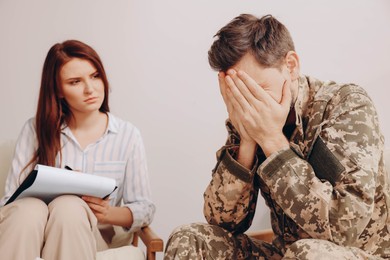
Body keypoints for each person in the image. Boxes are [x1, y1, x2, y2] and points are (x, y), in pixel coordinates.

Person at [164, 14, 390, 259]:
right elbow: (224, 222)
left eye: (257, 91)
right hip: (285, 253)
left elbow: (343, 228)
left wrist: (272, 140)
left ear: (290, 66)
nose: (250, 106)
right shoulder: (248, 119)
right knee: (190, 239)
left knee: (308, 253)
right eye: (239, 95)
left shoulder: (346, 105)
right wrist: (247, 140)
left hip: (356, 254)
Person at [0, 40, 155, 259]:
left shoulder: (128, 135)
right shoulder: (35, 130)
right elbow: (10, 200)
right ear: (58, 90)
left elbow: (144, 208)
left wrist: (107, 213)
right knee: (27, 210)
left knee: (69, 207)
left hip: (92, 237)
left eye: (95, 76)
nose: (90, 89)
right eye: (75, 82)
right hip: (34, 232)